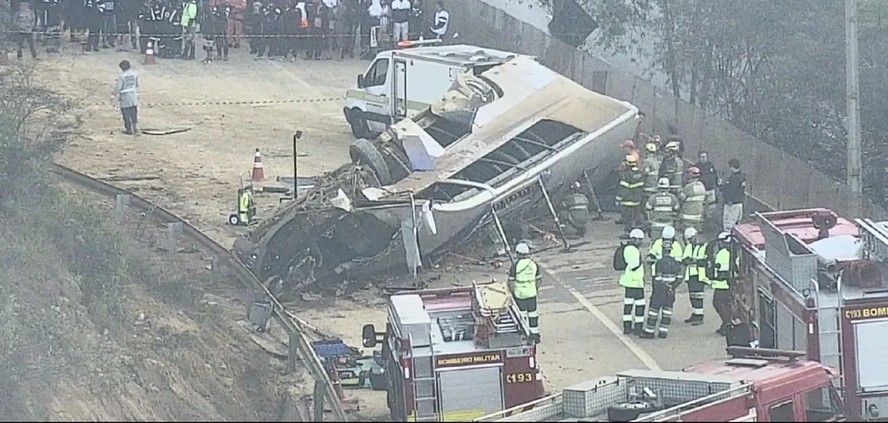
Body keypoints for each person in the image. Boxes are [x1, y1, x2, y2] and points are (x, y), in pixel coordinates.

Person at [640, 248, 682, 339]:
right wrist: (671, 287)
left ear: (663, 251)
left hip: (659, 291)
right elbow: (679, 278)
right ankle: (663, 331)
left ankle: (649, 331)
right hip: (671, 292)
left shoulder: (660, 263)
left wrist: (663, 286)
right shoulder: (676, 263)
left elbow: (658, 279)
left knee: (653, 311)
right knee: (667, 311)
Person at [508, 242, 541, 343]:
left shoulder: (515, 265)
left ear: (518, 253)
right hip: (532, 293)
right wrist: (534, 289)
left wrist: (512, 293)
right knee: (533, 314)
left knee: (522, 316)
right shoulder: (534, 264)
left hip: (519, 294)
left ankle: (524, 334)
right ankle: (535, 334)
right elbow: (538, 280)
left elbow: (511, 282)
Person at [619, 228, 646, 335]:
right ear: (635, 239)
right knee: (640, 305)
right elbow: (634, 266)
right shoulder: (633, 250)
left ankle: (627, 326)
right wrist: (641, 262)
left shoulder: (627, 248)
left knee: (628, 304)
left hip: (628, 281)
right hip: (636, 282)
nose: (641, 242)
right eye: (639, 240)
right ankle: (638, 327)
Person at [709, 231, 735, 336]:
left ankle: (727, 324)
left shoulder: (723, 253)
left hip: (723, 284)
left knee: (719, 303)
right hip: (725, 283)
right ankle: (726, 323)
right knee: (724, 304)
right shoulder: (730, 252)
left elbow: (721, 269)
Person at [681, 227, 708, 325]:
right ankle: (695, 314)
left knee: (698, 296)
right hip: (690, 274)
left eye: (691, 238)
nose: (690, 240)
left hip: (699, 275)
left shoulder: (704, 247)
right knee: (692, 296)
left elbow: (706, 260)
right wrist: (690, 260)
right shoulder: (688, 247)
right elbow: (684, 260)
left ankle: (700, 316)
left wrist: (695, 261)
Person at [616, 155, 645, 239]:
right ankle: (639, 231)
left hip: (628, 201)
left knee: (627, 218)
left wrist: (618, 199)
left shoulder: (627, 175)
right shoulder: (639, 173)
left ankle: (628, 233)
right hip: (637, 200)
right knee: (637, 217)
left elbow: (623, 189)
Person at [111, 60, 140, 136]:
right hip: (133, 96)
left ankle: (129, 129)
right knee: (134, 112)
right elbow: (137, 85)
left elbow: (118, 87)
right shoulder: (135, 74)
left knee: (126, 113)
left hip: (125, 97)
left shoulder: (121, 76)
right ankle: (135, 128)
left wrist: (113, 95)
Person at [720, 158, 746, 232]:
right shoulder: (742, 177)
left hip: (732, 205)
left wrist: (722, 187)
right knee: (737, 225)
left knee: (729, 224)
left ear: (732, 167)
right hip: (740, 203)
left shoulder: (734, 178)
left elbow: (730, 190)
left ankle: (727, 241)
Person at [678, 167, 707, 234]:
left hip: (687, 217)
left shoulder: (689, 187)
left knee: (687, 235)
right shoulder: (702, 186)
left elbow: (680, 198)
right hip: (698, 217)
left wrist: (679, 190)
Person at [695, 151, 718, 221]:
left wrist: (716, 183)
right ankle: (701, 218)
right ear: (699, 158)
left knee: (712, 206)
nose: (704, 159)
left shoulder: (710, 165)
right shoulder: (697, 167)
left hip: (710, 189)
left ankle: (709, 219)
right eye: (702, 157)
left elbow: (715, 175)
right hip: (702, 190)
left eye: (705, 157)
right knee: (702, 205)